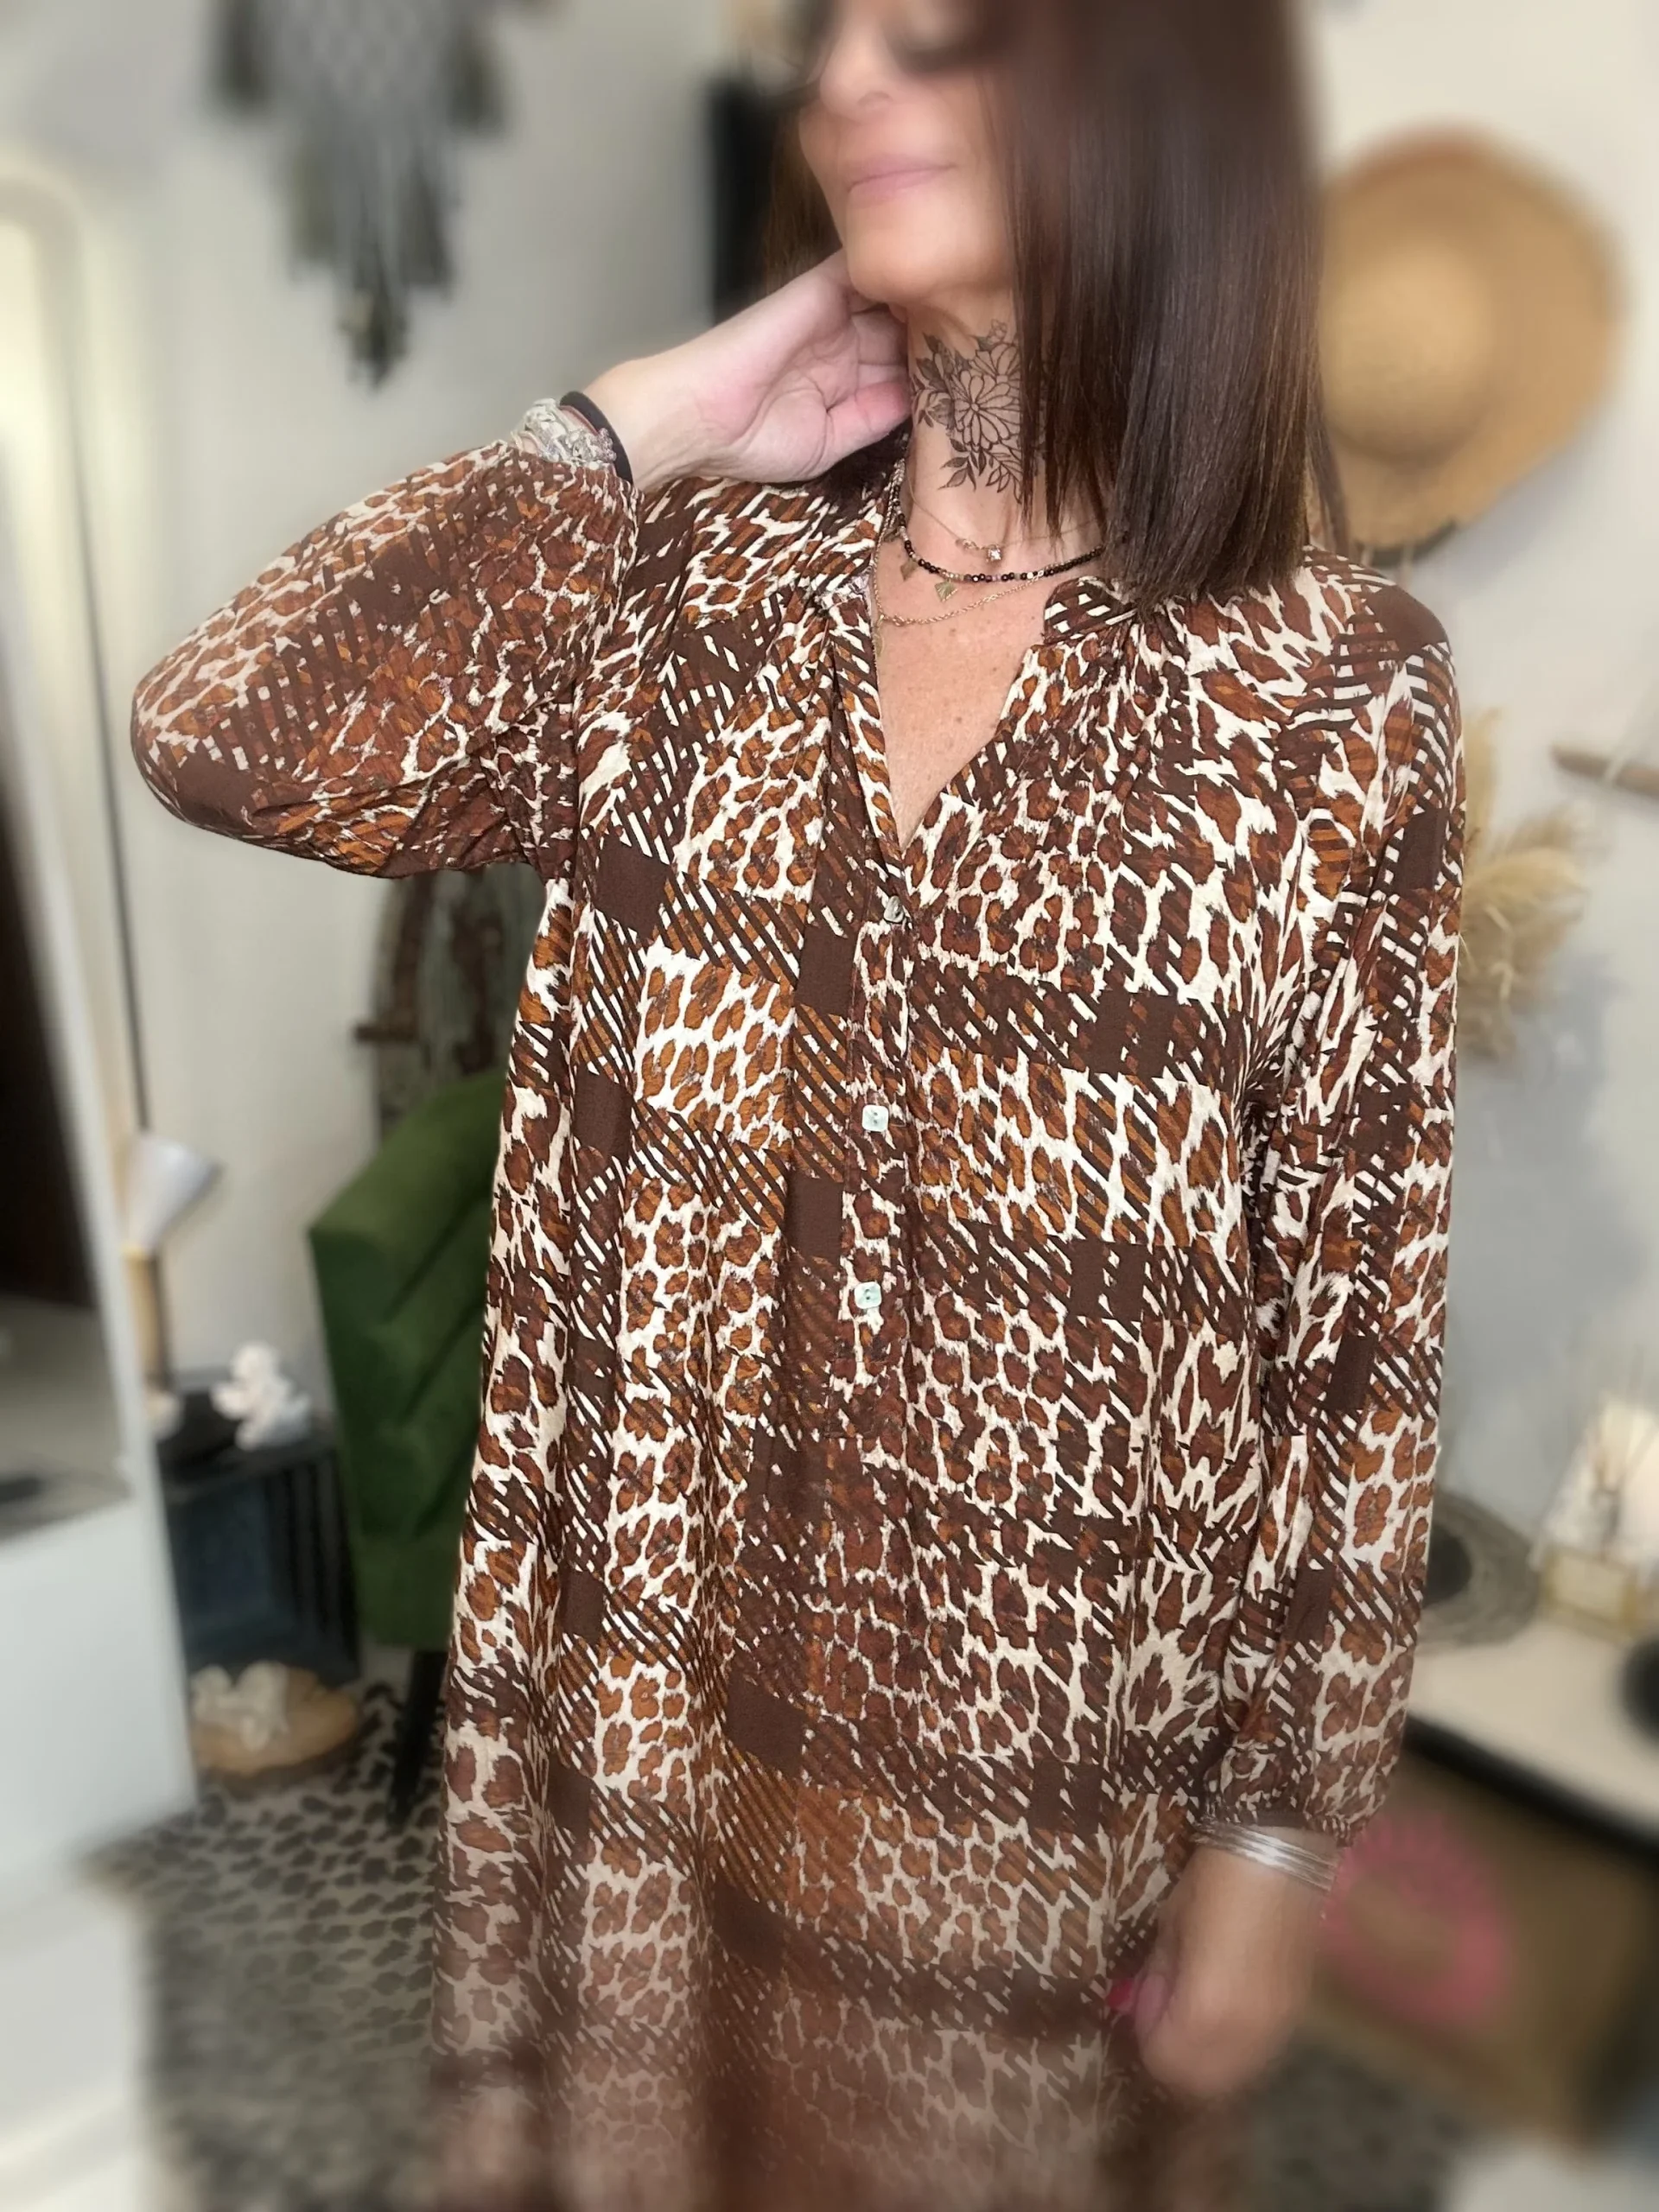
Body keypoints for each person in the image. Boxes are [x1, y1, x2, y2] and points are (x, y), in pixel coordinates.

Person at [132, 1, 1465, 2204]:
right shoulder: (687, 587)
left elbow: (1357, 1323)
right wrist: (632, 428)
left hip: (1024, 1769)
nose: (849, 76)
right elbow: (226, 734)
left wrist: (1281, 1829)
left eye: (942, 33)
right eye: (837, 34)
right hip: (635, 1712)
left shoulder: (1328, 686)